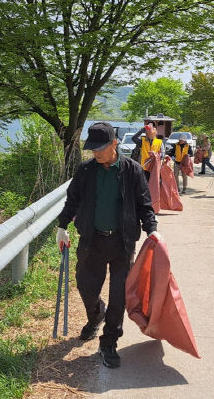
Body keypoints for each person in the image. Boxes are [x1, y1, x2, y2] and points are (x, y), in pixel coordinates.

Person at [56, 122, 162, 368]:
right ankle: (95, 316)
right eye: (92, 148)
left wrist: (153, 230)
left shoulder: (131, 170)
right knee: (86, 287)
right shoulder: (85, 170)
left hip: (122, 243)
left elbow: (145, 205)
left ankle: (109, 342)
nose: (95, 152)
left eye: (100, 148)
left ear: (114, 144)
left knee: (119, 296)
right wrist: (62, 227)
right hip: (91, 241)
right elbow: (72, 201)